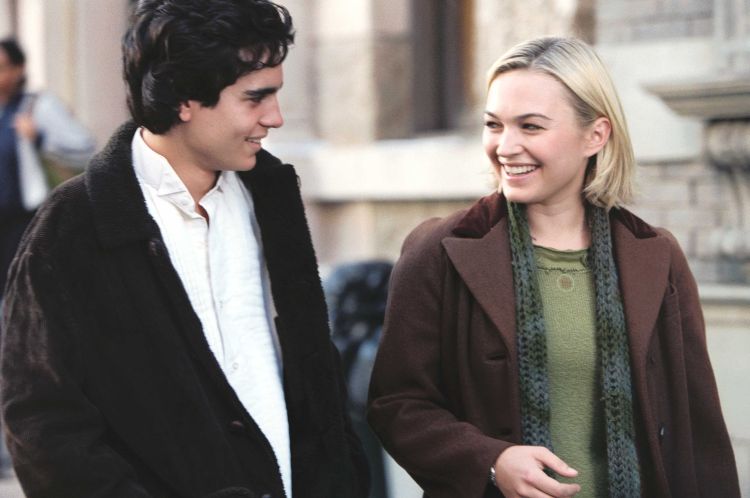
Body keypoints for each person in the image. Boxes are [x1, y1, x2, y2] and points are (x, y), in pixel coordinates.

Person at [0, 1, 368, 497]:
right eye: (255, 97)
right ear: (184, 99)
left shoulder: (272, 195)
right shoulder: (72, 227)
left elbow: (314, 378)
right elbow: (44, 425)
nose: (276, 117)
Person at [367, 36, 739, 498]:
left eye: (530, 126)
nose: (506, 146)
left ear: (595, 135)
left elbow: (698, 428)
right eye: (493, 125)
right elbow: (396, 403)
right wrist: (491, 461)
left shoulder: (656, 256)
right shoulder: (438, 250)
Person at [0, 37, 95, 299]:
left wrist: (39, 139)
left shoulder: (37, 106)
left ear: (18, 69)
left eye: (2, 67)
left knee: (23, 293)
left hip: (26, 220)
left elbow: (84, 148)